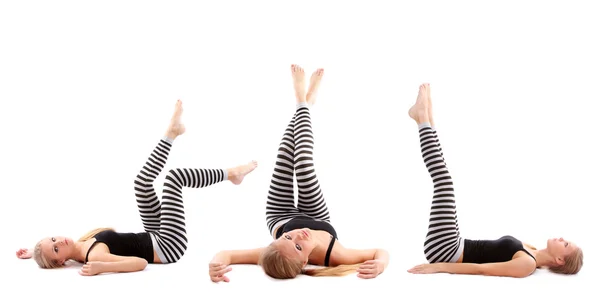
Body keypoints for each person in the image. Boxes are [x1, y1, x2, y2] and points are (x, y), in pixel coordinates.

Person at [15, 99, 258, 276]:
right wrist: (100, 268)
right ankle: (232, 174)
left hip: (153, 235)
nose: (60, 241)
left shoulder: (81, 243)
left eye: (54, 238)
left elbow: (48, 252)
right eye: (56, 248)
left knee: (141, 183)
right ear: (60, 262)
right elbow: (139, 264)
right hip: (168, 246)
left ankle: (171, 134)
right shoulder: (93, 256)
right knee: (174, 178)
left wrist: (33, 252)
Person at [208, 64, 390, 282]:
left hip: (279, 213)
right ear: (304, 261)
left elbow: (226, 254)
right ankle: (303, 101)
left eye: (287, 237)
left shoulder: (273, 251)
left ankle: (305, 103)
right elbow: (380, 252)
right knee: (303, 158)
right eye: (297, 246)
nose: (297, 235)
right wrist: (380, 265)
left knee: (285, 149)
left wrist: (215, 265)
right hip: (317, 215)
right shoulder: (336, 256)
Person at [406, 83, 584, 278]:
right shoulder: (530, 249)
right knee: (446, 179)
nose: (561, 238)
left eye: (565, 244)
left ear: (559, 260)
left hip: (446, 250)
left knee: (445, 182)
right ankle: (426, 117)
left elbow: (481, 269)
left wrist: (438, 267)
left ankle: (422, 118)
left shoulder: (527, 265)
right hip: (455, 242)